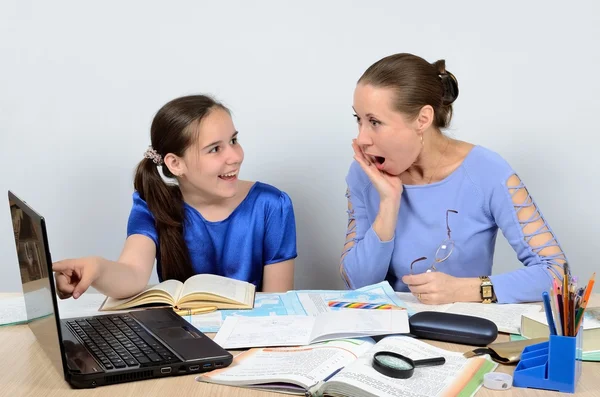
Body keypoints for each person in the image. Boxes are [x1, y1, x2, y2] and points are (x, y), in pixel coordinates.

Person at [340, 53, 566, 304]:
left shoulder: (486, 172)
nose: (362, 139)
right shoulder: (364, 174)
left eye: (374, 122)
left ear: (422, 119)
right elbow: (358, 285)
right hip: (389, 336)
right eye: (359, 120)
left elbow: (555, 273)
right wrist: (389, 204)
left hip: (463, 335)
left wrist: (468, 290)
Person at [53, 94, 297, 300]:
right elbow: (132, 274)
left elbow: (277, 301)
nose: (235, 156)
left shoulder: (272, 205)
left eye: (233, 140)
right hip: (186, 343)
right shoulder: (152, 205)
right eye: (215, 149)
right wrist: (97, 268)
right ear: (175, 163)